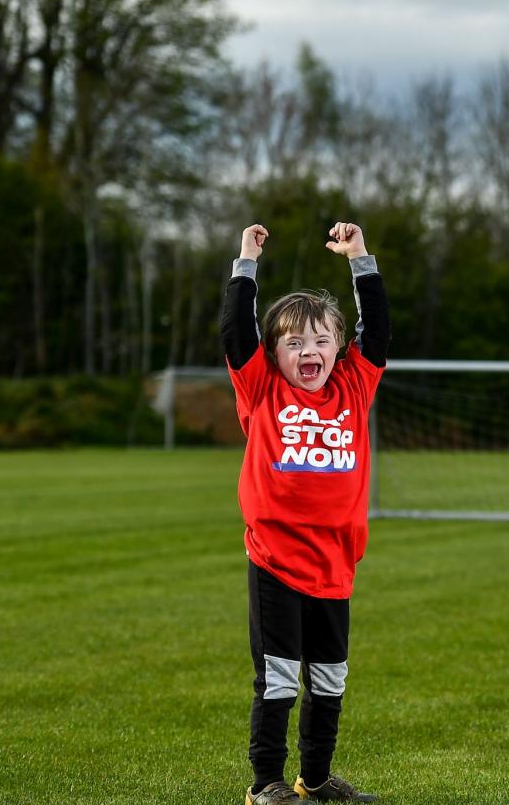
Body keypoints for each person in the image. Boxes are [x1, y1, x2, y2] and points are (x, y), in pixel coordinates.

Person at [220, 221, 390, 804]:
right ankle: (266, 783)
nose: (308, 351)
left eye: (320, 340)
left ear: (339, 347)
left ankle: (314, 780)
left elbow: (381, 329)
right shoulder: (261, 387)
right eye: (293, 343)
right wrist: (247, 263)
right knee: (278, 678)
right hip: (276, 558)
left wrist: (359, 258)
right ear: (275, 354)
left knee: (329, 678)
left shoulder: (354, 385)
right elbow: (236, 330)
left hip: (336, 562)